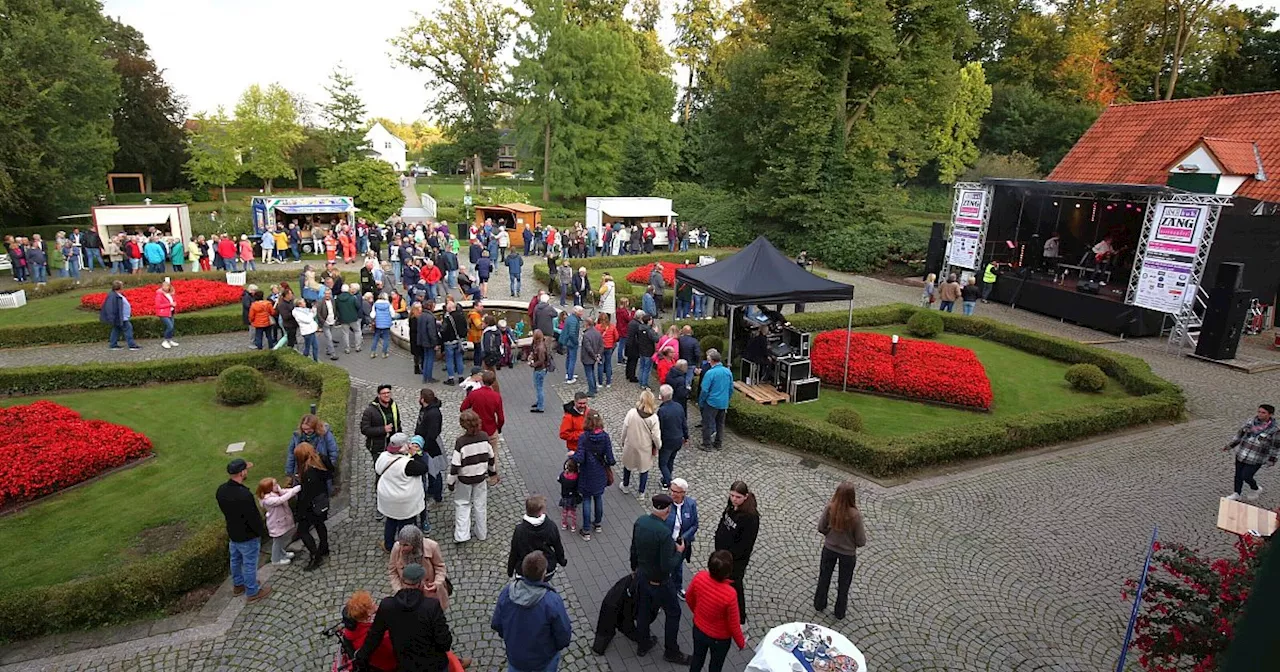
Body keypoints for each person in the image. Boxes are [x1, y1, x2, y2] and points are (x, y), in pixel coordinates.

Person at [356, 563, 453, 672]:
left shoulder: (387, 606)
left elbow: (374, 636)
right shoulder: (431, 606)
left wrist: (361, 657)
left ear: (402, 581)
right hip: (434, 666)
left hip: (406, 666)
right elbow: (445, 642)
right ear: (420, 583)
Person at [630, 493, 691, 664]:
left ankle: (643, 644)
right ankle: (671, 651)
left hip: (642, 576)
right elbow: (667, 565)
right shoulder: (664, 533)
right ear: (668, 510)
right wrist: (679, 553)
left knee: (643, 611)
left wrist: (634, 568)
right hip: (661, 583)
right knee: (673, 613)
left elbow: (633, 549)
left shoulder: (640, 522)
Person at [492, 551, 574, 672]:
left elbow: (497, 624)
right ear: (544, 573)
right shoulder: (551, 601)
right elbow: (563, 635)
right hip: (543, 660)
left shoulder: (507, 593)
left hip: (516, 659)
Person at [216, 458, 271, 601]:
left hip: (233, 532)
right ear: (242, 473)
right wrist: (262, 532)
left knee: (235, 560)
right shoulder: (244, 495)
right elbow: (253, 518)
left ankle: (238, 585)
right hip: (248, 535)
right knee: (249, 563)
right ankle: (252, 591)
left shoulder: (221, 490)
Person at [814, 481, 868, 620]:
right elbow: (861, 540)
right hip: (848, 554)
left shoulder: (830, 508)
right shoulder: (855, 515)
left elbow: (821, 527)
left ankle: (819, 603)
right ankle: (839, 612)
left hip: (829, 548)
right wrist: (851, 543)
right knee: (844, 583)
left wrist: (829, 535)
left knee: (824, 577)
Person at [685, 550, 746, 672]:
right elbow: (734, 624)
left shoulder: (699, 577)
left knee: (697, 659)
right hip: (720, 639)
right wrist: (741, 643)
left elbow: (689, 597)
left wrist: (697, 612)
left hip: (699, 629)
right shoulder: (730, 594)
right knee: (715, 666)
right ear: (728, 572)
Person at [714, 481, 759, 627]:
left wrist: (729, 558)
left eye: (738, 497)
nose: (734, 499)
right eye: (732, 495)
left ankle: (740, 617)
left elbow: (745, 544)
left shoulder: (750, 517)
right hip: (722, 554)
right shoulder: (731, 505)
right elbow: (724, 520)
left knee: (735, 585)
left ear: (745, 497)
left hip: (735, 561)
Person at [449, 409, 497, 543]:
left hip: (465, 480)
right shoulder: (484, 437)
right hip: (480, 478)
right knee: (480, 505)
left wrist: (451, 482)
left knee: (462, 504)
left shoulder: (461, 442)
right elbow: (491, 457)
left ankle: (462, 535)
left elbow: (455, 465)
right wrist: (492, 473)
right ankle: (481, 533)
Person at [377, 433, 430, 552]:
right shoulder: (407, 464)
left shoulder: (383, 456)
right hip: (404, 501)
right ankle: (407, 548)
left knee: (390, 521)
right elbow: (423, 468)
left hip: (388, 497)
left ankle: (389, 545)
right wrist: (415, 455)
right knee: (406, 525)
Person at [571, 410, 615, 540]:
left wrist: (572, 455)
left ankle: (586, 531)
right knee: (598, 498)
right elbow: (611, 459)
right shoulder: (605, 437)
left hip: (587, 474)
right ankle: (598, 524)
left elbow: (579, 458)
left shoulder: (584, 437)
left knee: (586, 500)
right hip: (600, 473)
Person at [1223, 404, 1279, 501]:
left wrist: (1272, 460)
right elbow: (1239, 435)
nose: (1260, 414)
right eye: (1259, 412)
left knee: (1246, 475)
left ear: (1270, 414)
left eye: (1263, 413)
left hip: (1257, 457)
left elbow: (1275, 447)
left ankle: (1255, 488)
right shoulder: (1250, 422)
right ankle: (1237, 493)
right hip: (1242, 453)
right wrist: (1229, 446)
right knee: (1238, 475)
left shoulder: (1274, 430)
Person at [506, 495, 568, 582]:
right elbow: (558, 546)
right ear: (540, 512)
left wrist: (510, 570)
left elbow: (514, 551)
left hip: (525, 569)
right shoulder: (551, 526)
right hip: (546, 568)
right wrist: (562, 561)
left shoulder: (520, 530)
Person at [459, 370, 505, 485]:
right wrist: (498, 428)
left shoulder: (474, 394)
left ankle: (477, 472)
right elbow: (501, 417)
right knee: (493, 454)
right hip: (490, 429)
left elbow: (463, 408)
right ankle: (493, 477)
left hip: (476, 430)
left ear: (482, 380)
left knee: (476, 451)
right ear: (493, 382)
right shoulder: (496, 397)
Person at [388, 525, 450, 610]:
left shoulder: (432, 546)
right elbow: (393, 571)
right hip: (409, 594)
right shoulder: (397, 548)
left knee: (433, 614)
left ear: (414, 544)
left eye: (405, 545)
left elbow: (440, 567)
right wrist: (399, 590)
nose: (402, 548)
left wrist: (437, 583)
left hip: (429, 590)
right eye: (400, 544)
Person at [293, 443, 333, 570]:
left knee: (303, 531)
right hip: (321, 499)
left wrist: (299, 513)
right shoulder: (321, 460)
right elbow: (331, 472)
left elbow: (306, 495)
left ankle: (315, 556)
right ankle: (324, 547)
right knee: (320, 524)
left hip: (311, 505)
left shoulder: (308, 472)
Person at [620, 389, 662, 498]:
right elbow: (656, 436)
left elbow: (625, 428)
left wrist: (622, 441)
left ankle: (625, 485)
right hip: (645, 447)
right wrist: (658, 446)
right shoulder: (654, 418)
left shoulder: (632, 412)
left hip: (631, 444)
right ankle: (641, 492)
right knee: (644, 469)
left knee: (628, 466)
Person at [342, 591, 397, 672]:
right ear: (368, 615)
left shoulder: (352, 629)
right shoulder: (380, 635)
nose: (375, 604)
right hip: (388, 665)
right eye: (372, 603)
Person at [285, 414, 340, 489]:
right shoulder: (297, 436)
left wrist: (328, 467)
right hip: (302, 469)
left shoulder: (324, 435)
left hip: (319, 469)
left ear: (315, 427)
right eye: (304, 429)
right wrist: (289, 472)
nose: (306, 431)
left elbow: (333, 452)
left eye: (309, 429)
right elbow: (291, 454)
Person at [665, 478, 699, 598]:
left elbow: (695, 524)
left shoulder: (691, 504)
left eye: (676, 492)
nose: (672, 493)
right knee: (664, 569)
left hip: (682, 544)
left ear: (683, 493)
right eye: (671, 490)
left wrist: (683, 538)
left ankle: (678, 587)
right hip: (667, 543)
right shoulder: (666, 504)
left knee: (678, 567)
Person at [257, 477, 301, 566]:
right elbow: (281, 500)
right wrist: (295, 490)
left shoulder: (275, 492)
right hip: (275, 523)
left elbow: (284, 492)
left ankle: (282, 554)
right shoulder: (268, 499)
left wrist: (292, 489)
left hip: (279, 521)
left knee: (280, 540)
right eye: (274, 485)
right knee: (277, 541)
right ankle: (275, 559)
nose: (277, 485)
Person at [361, 385, 403, 469]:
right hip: (378, 447)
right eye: (384, 393)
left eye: (388, 392)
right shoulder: (370, 411)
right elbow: (364, 429)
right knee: (381, 470)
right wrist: (383, 429)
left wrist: (401, 439)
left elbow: (397, 423)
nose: (386, 395)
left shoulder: (394, 406)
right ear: (378, 395)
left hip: (393, 445)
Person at [698, 349, 733, 451]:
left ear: (712, 360)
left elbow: (704, 390)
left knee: (707, 423)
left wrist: (701, 402)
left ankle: (707, 444)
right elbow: (731, 388)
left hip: (711, 402)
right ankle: (718, 443)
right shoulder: (728, 372)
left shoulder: (710, 373)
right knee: (720, 424)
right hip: (723, 403)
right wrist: (727, 399)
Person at [655, 385, 687, 489]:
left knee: (662, 464)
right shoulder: (679, 406)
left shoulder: (662, 410)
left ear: (662, 396)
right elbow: (684, 423)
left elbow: (660, 428)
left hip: (667, 441)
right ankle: (665, 480)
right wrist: (686, 436)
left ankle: (669, 483)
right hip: (678, 440)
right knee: (671, 460)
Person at [99, 280, 140, 350]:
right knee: (128, 328)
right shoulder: (113, 296)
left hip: (121, 317)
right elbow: (110, 307)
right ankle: (132, 345)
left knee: (116, 329)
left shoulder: (115, 295)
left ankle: (113, 344)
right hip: (121, 317)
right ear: (119, 288)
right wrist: (112, 317)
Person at [440, 297, 468, 385]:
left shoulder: (448, 318)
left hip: (449, 342)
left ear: (448, 309)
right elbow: (465, 328)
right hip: (459, 341)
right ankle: (460, 376)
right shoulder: (461, 315)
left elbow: (443, 330)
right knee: (459, 359)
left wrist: (442, 339)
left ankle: (451, 378)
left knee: (449, 360)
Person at [580, 313, 604, 397]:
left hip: (587, 358)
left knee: (589, 374)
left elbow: (588, 348)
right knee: (592, 372)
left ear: (587, 324)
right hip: (594, 357)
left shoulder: (586, 335)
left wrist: (594, 356)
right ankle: (594, 388)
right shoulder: (597, 333)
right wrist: (598, 355)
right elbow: (601, 345)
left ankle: (591, 391)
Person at [336, 284, 363, 354]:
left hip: (343, 319)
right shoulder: (352, 297)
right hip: (353, 318)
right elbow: (358, 306)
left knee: (345, 333)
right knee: (357, 331)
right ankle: (358, 347)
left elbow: (336, 308)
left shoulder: (338, 299)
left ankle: (347, 349)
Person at [530, 329, 552, 413]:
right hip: (540, 369)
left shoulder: (540, 348)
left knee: (539, 388)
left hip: (540, 370)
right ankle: (539, 401)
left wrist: (533, 364)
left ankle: (540, 406)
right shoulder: (540, 344)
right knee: (538, 386)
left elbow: (541, 360)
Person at [559, 305, 583, 384]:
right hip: (571, 343)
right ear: (577, 312)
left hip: (567, 341)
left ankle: (568, 373)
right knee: (572, 359)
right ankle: (570, 377)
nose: (582, 313)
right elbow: (572, 333)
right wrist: (576, 342)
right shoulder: (574, 320)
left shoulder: (570, 318)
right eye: (581, 312)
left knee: (569, 358)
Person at [154, 278, 179, 349]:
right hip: (163, 313)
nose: (165, 287)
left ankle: (169, 340)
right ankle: (165, 341)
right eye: (163, 286)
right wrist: (170, 304)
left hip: (170, 312)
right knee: (170, 326)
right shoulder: (159, 294)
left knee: (172, 327)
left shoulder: (171, 294)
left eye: (167, 286)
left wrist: (174, 304)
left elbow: (173, 301)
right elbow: (158, 305)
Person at [558, 458, 581, 532]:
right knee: (573, 512)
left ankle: (564, 524)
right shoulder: (577, 477)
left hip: (565, 496)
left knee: (565, 511)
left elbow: (559, 480)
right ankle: (573, 526)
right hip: (573, 497)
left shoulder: (563, 475)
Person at [371, 292, 394, 358]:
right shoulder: (388, 304)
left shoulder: (375, 304)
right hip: (386, 323)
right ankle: (384, 353)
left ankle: (373, 352)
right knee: (386, 338)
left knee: (376, 337)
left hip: (378, 323)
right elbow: (393, 314)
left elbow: (372, 315)